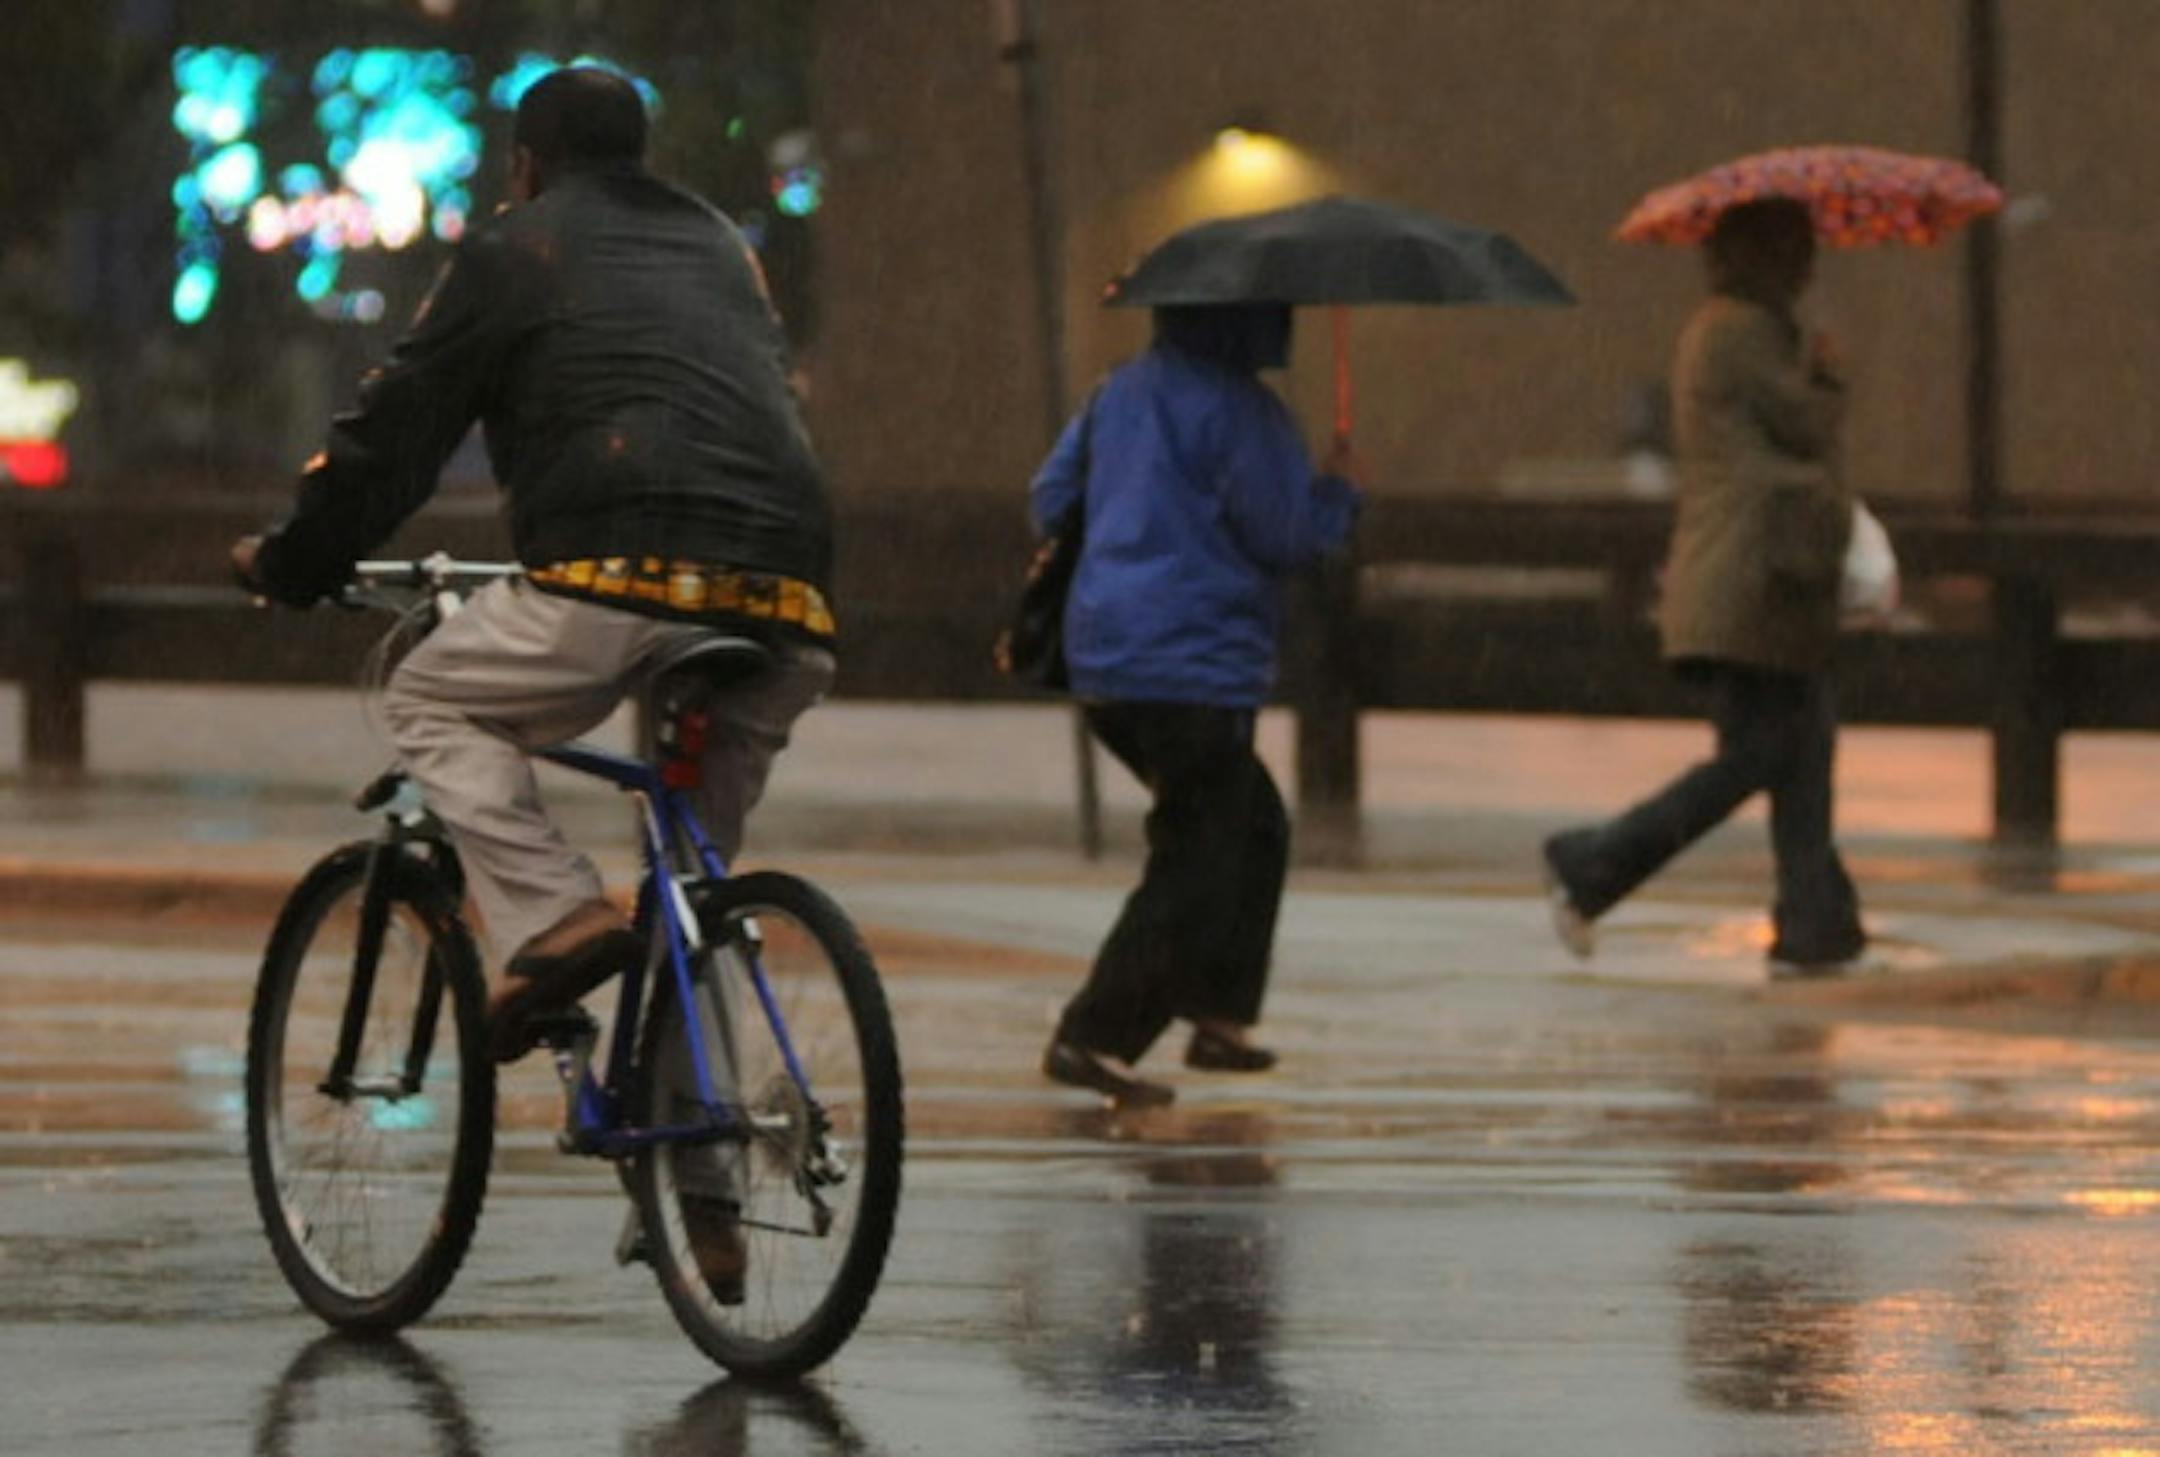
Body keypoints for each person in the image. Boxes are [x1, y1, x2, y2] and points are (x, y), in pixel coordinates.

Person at [231, 68, 835, 1297]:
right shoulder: (721, 244)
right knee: (690, 882)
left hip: (619, 578)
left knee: (432, 695)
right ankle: (701, 1185)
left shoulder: (519, 246)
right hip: (783, 597)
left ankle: (554, 914)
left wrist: (299, 560)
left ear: (523, 164)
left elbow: (397, 424)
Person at [1033, 302, 1362, 1105]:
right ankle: (1097, 1033)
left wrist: (1130, 533)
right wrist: (1337, 494)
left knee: (1250, 824)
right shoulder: (1245, 410)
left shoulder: (1120, 393)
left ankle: (1220, 1013)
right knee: (1200, 849)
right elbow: (1284, 535)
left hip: (1107, 652)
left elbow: (1051, 497)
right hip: (1193, 661)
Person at [1542, 197, 1865, 976]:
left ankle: (1817, 925)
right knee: (1768, 751)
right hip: (1751, 579)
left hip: (1767, 578)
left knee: (1799, 748)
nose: (1808, 264)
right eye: (1796, 248)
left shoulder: (1743, 330)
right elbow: (1806, 425)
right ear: (1762, 254)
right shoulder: (1735, 332)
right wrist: (1824, 370)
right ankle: (1594, 860)